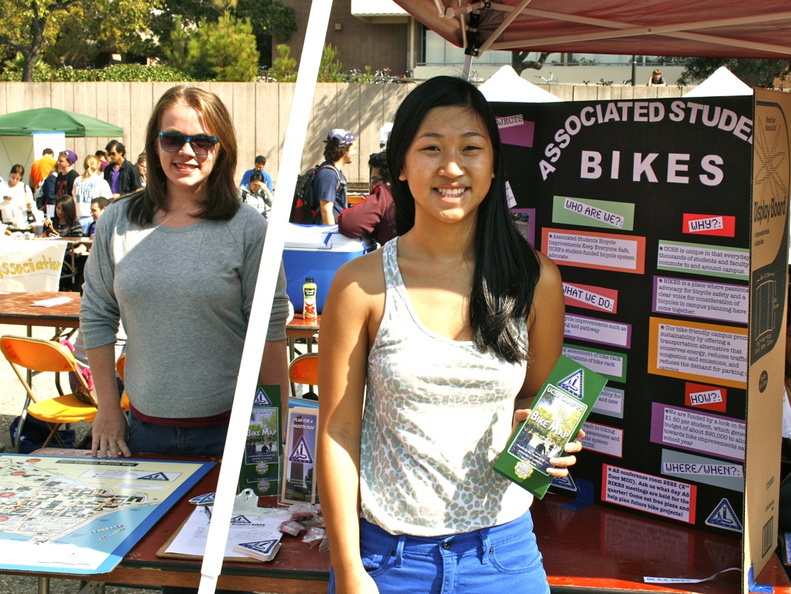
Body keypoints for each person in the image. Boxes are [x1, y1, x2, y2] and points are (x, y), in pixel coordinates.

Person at [317, 76, 580, 594]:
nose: (452, 168)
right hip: (387, 561)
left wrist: (541, 435)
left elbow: (537, 398)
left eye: (471, 149)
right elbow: (337, 433)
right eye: (431, 148)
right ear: (400, 164)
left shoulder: (536, 281)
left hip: (503, 557)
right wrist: (349, 570)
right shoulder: (360, 285)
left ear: (494, 164)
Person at [81, 84, 290, 459]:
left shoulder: (249, 228)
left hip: (232, 433)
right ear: (155, 144)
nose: (186, 151)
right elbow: (97, 316)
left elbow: (269, 332)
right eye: (173, 139)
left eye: (202, 141)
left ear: (221, 148)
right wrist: (107, 408)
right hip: (141, 432)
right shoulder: (116, 221)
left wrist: (276, 430)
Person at [337, 150, 396, 250]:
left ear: (389, 180)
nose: (370, 186)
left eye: (374, 180)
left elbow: (348, 223)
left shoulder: (386, 193)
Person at [315, 129, 356, 225]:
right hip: (328, 231)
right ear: (344, 150)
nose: (355, 152)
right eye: (353, 148)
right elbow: (326, 211)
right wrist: (331, 233)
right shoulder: (329, 174)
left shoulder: (336, 173)